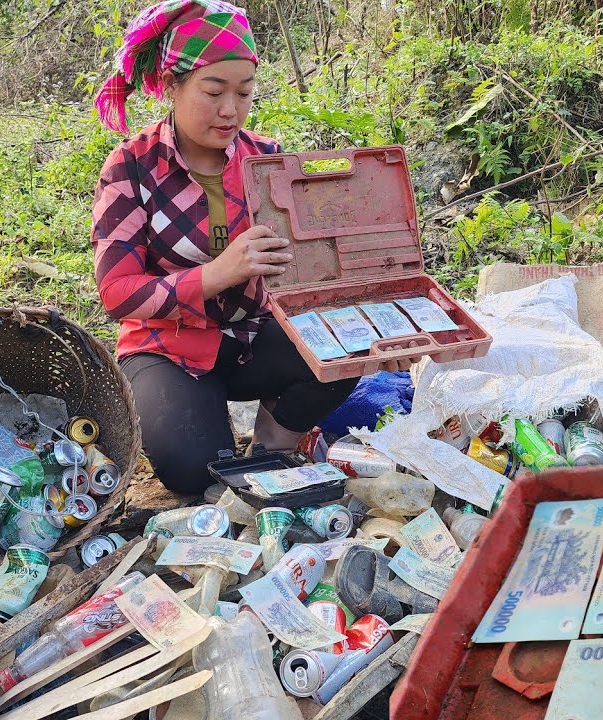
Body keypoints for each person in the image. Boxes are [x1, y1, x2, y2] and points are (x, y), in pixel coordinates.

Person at [91, 0, 409, 495]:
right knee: (193, 471)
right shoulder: (131, 166)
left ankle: (274, 443)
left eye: (244, 92)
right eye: (213, 91)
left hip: (255, 335)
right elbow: (118, 292)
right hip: (168, 347)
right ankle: (195, 413)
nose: (229, 109)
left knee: (350, 347)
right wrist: (217, 274)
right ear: (172, 87)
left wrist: (374, 325)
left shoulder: (267, 160)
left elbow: (307, 273)